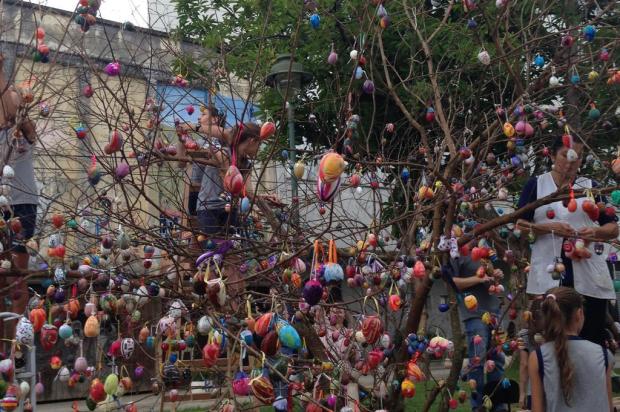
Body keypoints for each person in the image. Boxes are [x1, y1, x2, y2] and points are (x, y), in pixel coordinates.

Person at [516, 136, 619, 347]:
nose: (571, 161)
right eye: (565, 155)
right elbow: (519, 225)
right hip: (550, 278)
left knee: (591, 342)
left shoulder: (590, 188)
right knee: (553, 344)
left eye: (578, 156)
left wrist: (594, 232)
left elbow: (613, 228)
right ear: (553, 155)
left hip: (589, 278)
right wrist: (549, 228)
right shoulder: (536, 186)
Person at [0, 53, 38, 341]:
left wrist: (1, 70)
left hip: (22, 204)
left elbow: (12, 105)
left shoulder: (24, 131)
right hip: (2, 203)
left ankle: (12, 340)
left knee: (16, 275)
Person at [529, 287, 613, 412]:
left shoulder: (538, 357)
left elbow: (537, 409)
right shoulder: (603, 354)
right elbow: (608, 406)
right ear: (579, 314)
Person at [451, 252, 507, 412]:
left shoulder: (485, 250)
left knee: (497, 362)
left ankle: (498, 406)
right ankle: (478, 407)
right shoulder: (457, 252)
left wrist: (496, 275)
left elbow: (489, 281)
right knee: (477, 361)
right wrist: (478, 279)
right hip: (475, 315)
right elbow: (453, 282)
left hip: (494, 313)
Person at [517, 298, 543, 410]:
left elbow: (524, 365)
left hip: (532, 391)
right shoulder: (554, 335)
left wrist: (522, 393)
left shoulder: (523, 335)